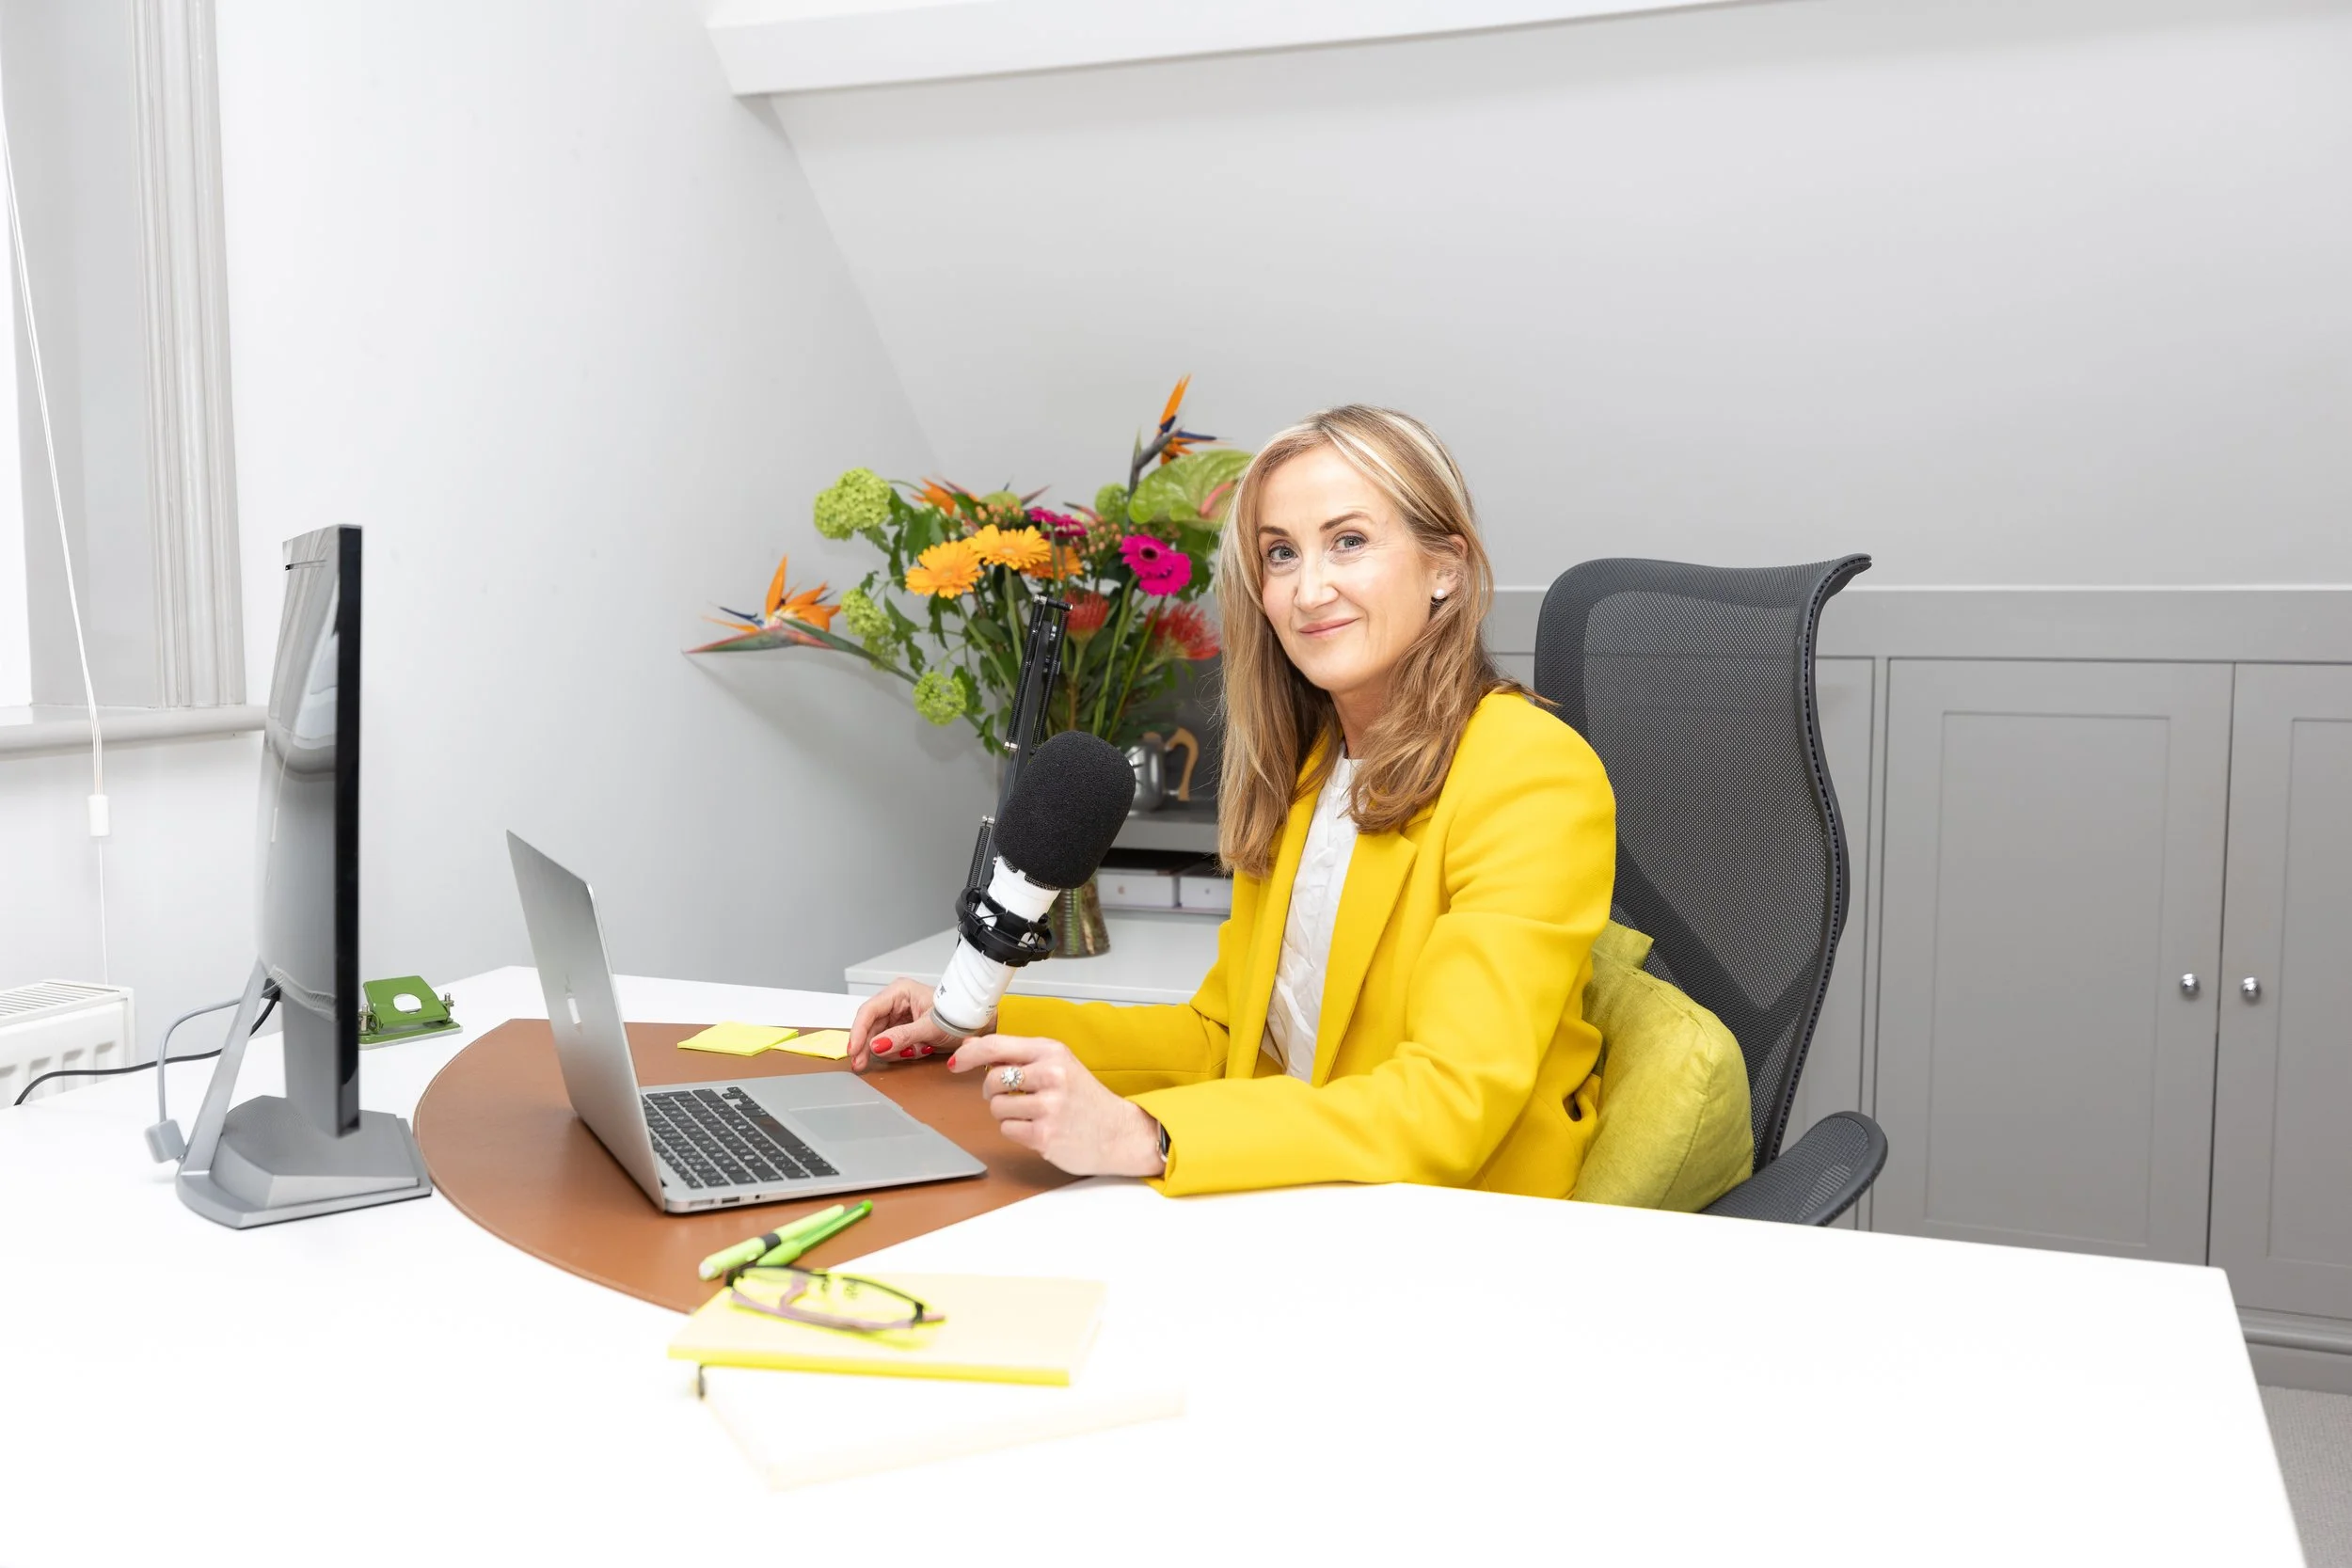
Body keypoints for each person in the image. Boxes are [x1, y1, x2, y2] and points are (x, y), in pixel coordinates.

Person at [847, 405, 1616, 1198]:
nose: (1309, 589)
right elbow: (1223, 1038)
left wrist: (1149, 1134)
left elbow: (1449, 1102)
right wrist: (979, 1020)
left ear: (1446, 567)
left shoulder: (1532, 771)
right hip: (1311, 1182)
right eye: (1281, 554)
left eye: (1348, 541)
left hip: (1460, 1218)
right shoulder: (1310, 770)